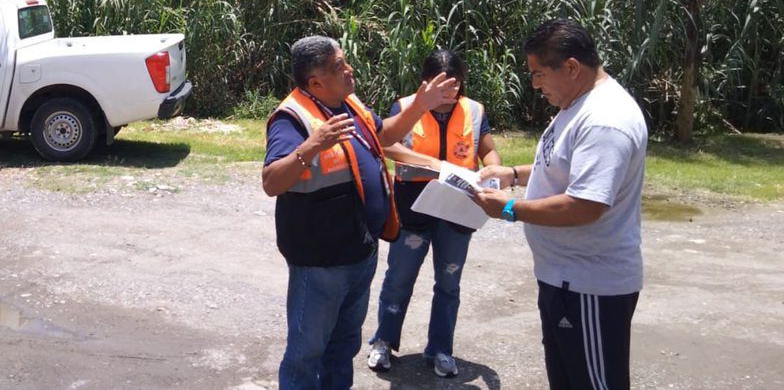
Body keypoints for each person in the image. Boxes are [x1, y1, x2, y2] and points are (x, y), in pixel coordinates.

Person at [263, 35, 457, 390]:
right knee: (306, 352)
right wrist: (311, 147)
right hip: (320, 262)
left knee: (344, 346)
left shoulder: (348, 102)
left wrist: (421, 105)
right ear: (315, 82)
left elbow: (384, 136)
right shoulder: (291, 118)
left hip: (359, 251)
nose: (349, 69)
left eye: (345, 61)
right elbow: (272, 181)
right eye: (339, 66)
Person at [473, 19, 646, 390]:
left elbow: (585, 206)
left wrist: (508, 209)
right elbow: (565, 167)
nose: (535, 85)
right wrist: (514, 175)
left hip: (589, 286)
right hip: (564, 279)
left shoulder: (605, 120)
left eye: (538, 74)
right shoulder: (578, 103)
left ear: (571, 67)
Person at [365, 49, 501, 378]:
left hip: (456, 210)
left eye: (453, 86)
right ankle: (383, 342)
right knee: (398, 279)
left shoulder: (474, 111)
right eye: (439, 85)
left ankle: (440, 349)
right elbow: (385, 144)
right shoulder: (405, 107)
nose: (446, 93)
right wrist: (434, 164)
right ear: (425, 82)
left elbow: (489, 151)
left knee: (449, 283)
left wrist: (494, 174)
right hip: (413, 209)